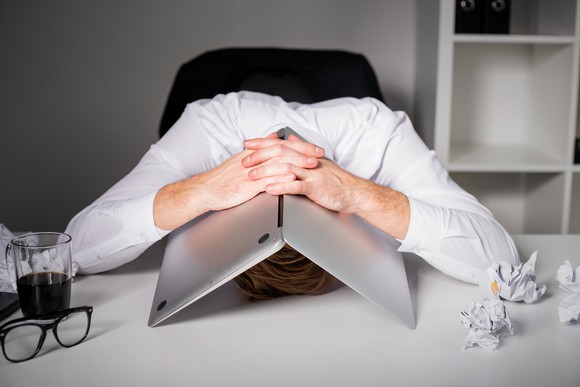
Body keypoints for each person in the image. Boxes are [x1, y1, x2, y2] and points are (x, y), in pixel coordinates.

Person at [65, 91, 520, 299]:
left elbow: (502, 263)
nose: (284, 184)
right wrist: (204, 190)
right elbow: (75, 250)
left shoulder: (378, 134)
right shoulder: (208, 127)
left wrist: (358, 193)